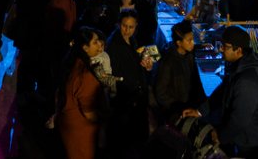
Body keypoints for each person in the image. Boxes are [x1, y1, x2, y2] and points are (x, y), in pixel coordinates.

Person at [207, 25, 258, 159]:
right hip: (249, 138)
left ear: (238, 50)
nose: (221, 49)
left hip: (253, 144)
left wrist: (221, 136)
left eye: (226, 46)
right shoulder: (239, 67)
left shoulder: (247, 79)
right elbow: (222, 91)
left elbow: (240, 118)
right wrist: (201, 110)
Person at [105, 10, 152, 157]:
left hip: (136, 97)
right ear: (119, 24)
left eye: (131, 27)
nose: (127, 30)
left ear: (136, 26)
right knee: (126, 142)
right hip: (125, 100)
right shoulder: (113, 44)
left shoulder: (132, 39)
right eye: (124, 26)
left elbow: (135, 65)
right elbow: (116, 74)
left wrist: (147, 66)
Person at [56, 27, 108, 159]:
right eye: (95, 42)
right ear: (85, 48)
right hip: (81, 132)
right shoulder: (85, 75)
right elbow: (89, 113)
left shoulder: (72, 63)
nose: (100, 44)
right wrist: (104, 119)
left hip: (67, 125)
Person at [153, 19, 205, 124]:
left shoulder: (189, 56)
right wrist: (178, 108)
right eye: (189, 40)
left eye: (193, 39)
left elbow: (196, 83)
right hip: (176, 114)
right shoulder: (168, 62)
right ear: (179, 43)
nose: (193, 43)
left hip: (189, 109)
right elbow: (161, 93)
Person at [12, 0, 46, 102]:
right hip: (28, 31)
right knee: (28, 61)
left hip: (25, 29)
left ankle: (25, 88)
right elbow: (33, 8)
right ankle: (25, 90)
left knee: (27, 60)